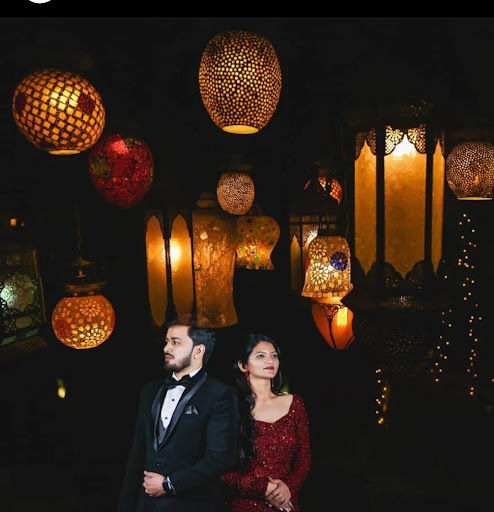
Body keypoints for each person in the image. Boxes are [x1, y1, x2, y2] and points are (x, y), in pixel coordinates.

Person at [118, 321, 239, 512]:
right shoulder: (149, 391)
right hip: (147, 507)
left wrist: (170, 484)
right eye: (167, 341)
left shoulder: (220, 394)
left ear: (198, 351)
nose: (167, 348)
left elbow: (221, 457)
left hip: (192, 505)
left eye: (175, 342)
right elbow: (137, 454)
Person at [222, 333, 311, 511]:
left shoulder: (295, 404)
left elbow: (304, 459)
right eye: (261, 356)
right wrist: (263, 488)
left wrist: (288, 488)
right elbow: (221, 471)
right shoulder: (230, 409)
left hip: (286, 503)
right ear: (242, 365)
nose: (270, 360)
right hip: (244, 505)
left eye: (274, 355)